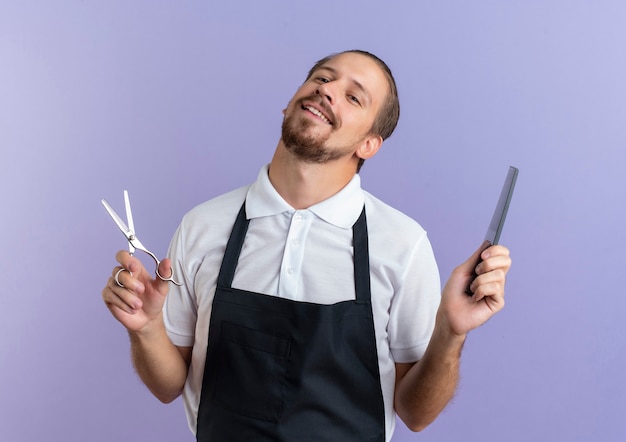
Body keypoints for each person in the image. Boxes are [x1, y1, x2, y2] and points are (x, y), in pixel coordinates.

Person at [102, 49, 512, 442]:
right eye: (321, 78)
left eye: (353, 96)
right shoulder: (203, 226)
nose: (327, 90)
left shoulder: (402, 245)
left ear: (368, 144)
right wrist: (146, 329)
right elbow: (169, 385)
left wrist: (451, 332)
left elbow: (416, 414)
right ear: (289, 103)